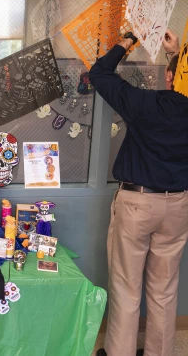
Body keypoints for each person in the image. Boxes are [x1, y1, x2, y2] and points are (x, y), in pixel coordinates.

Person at [90, 30, 187, 356]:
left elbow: (99, 73)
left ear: (170, 75)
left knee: (126, 286)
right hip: (179, 204)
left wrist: (129, 40)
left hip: (137, 203)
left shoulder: (148, 105)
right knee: (164, 289)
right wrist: (178, 52)